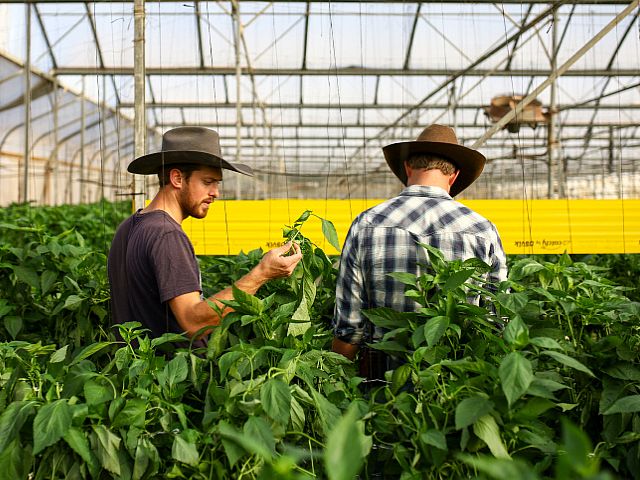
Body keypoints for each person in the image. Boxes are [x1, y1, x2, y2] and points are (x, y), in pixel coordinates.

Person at [108, 126, 302, 346]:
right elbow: (194, 323)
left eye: (217, 184)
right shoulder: (167, 234)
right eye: (207, 182)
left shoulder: (129, 226)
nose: (215, 193)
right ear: (177, 178)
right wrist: (262, 273)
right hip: (172, 374)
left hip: (141, 373)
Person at [332, 124, 507, 362]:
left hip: (382, 383)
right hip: (458, 381)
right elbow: (496, 319)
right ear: (454, 176)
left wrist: (338, 382)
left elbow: (349, 327)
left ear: (407, 167)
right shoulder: (481, 230)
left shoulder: (367, 223)